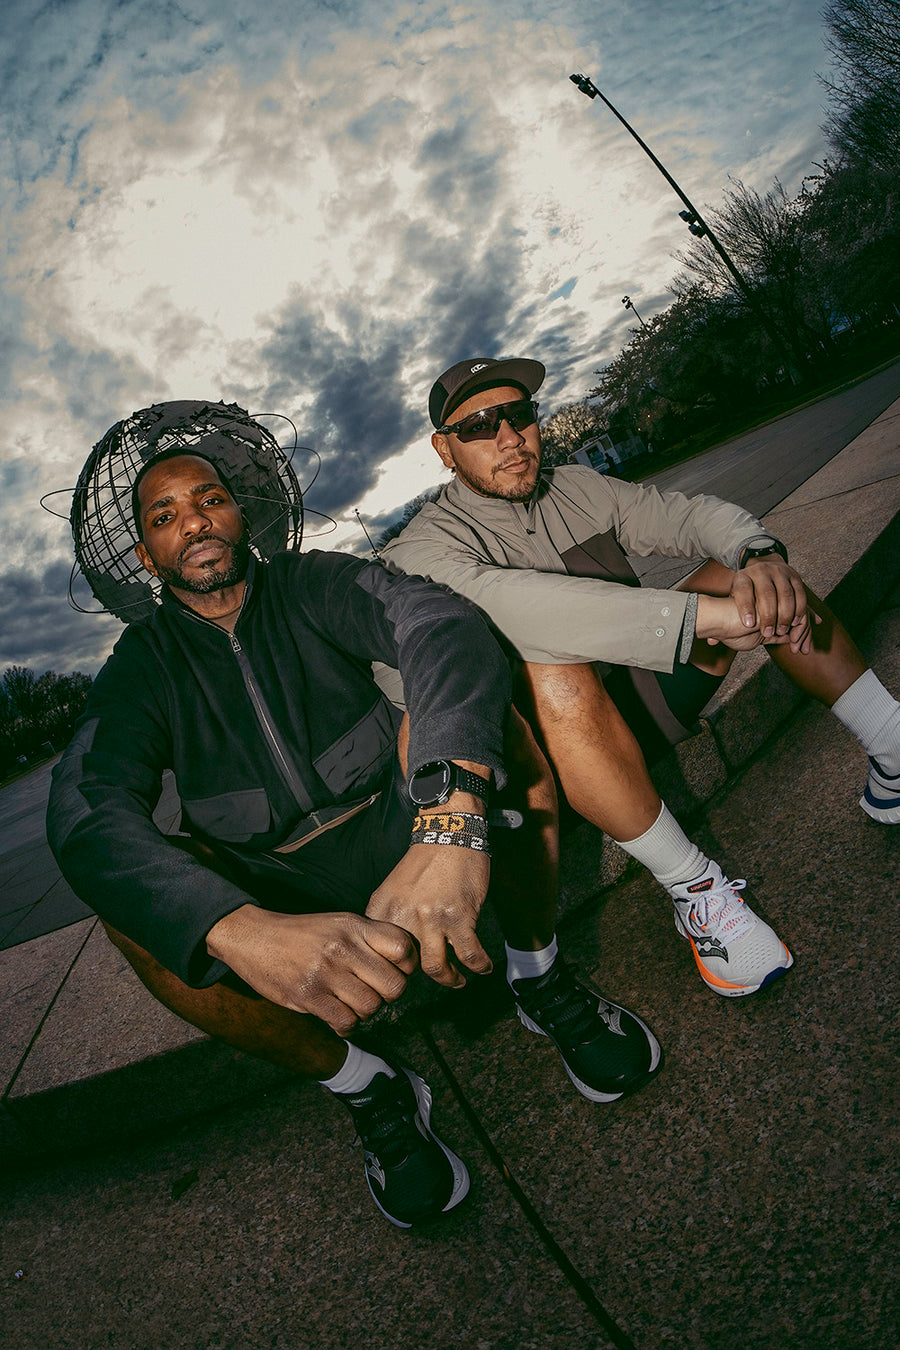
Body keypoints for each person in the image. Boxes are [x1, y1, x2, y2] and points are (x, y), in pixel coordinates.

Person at [47, 421, 662, 1231]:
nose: (193, 521)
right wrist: (232, 926)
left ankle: (538, 974)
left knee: (489, 734)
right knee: (133, 914)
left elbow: (439, 627)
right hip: (275, 882)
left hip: (392, 822)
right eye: (164, 516)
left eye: (210, 499)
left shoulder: (312, 584)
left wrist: (449, 815)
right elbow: (84, 808)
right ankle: (364, 1084)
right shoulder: (140, 669)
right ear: (146, 556)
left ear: (242, 514)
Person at [380, 357, 900, 997]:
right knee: (551, 666)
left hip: (636, 702)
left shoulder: (577, 487)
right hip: (552, 764)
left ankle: (893, 751)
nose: (511, 438)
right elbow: (520, 608)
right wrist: (702, 617)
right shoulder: (421, 549)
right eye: (481, 426)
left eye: (520, 415)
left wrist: (758, 553)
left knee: (759, 581)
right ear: (444, 449)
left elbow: (687, 515)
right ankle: (695, 891)